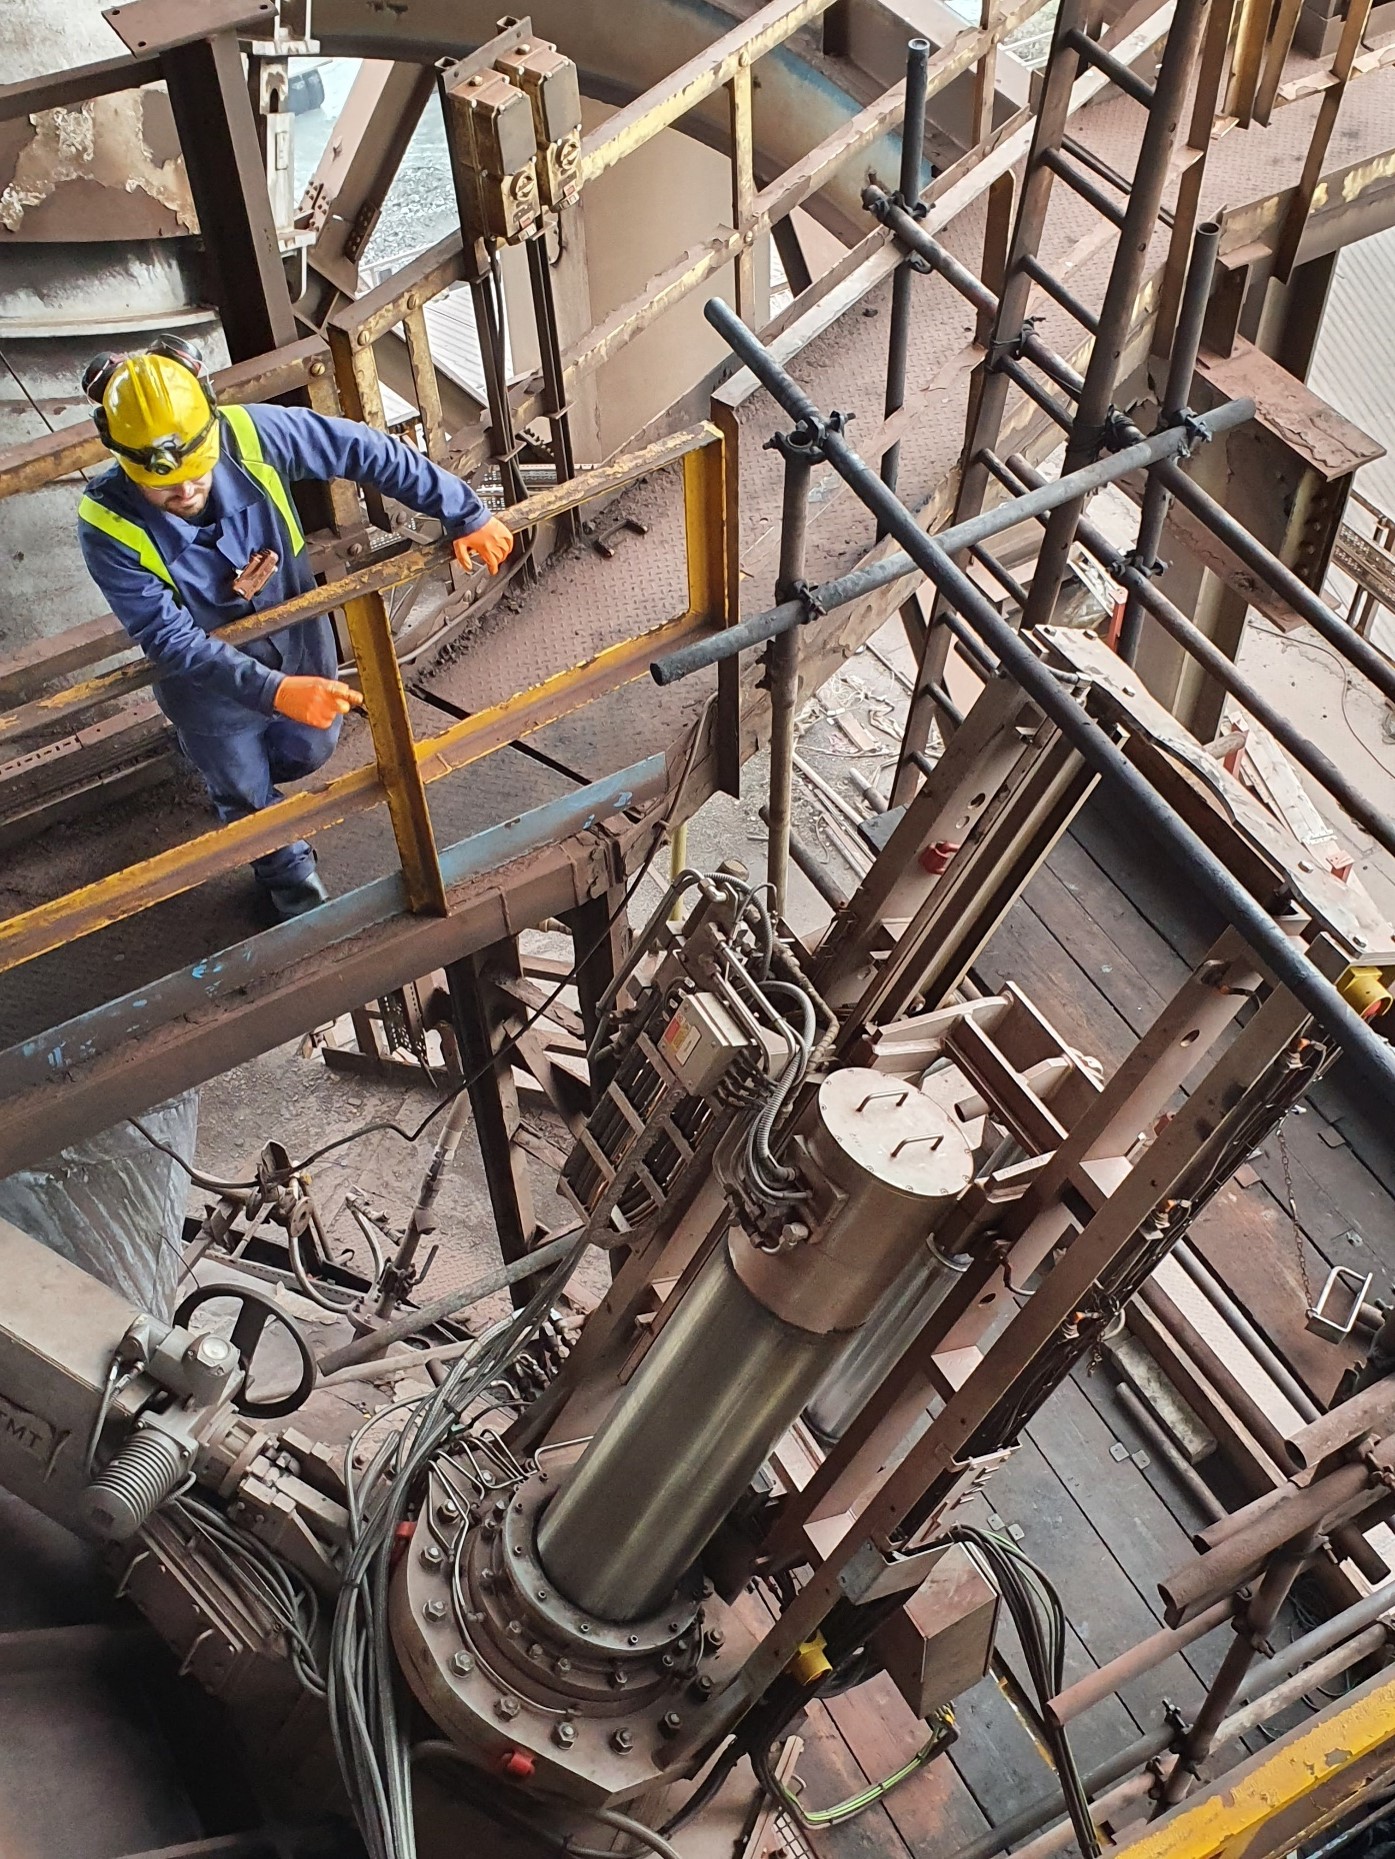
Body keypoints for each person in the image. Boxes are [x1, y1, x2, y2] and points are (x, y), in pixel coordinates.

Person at [76, 336, 514, 919]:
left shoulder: (251, 434)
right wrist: (273, 693)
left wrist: (463, 509)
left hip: (298, 645)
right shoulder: (106, 524)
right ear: (123, 459)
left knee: (310, 747)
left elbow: (366, 451)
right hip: (208, 690)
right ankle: (287, 876)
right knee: (242, 790)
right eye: (163, 483)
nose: (184, 490)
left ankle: (247, 773)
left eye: (197, 470)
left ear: (212, 429)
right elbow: (169, 639)